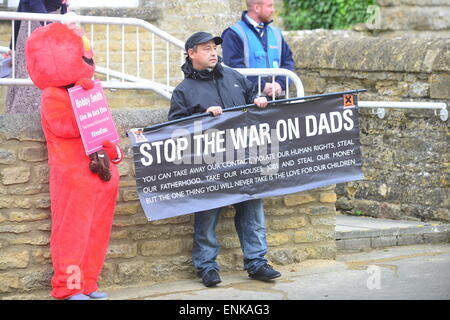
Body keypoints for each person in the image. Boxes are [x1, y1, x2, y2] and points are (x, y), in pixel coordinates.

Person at [169, 31, 281, 288]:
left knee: (252, 213)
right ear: (191, 53)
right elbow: (173, 130)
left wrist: (259, 100)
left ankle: (257, 262)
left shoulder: (234, 77)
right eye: (206, 48)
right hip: (209, 166)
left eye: (214, 48)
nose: (212, 52)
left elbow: (253, 98)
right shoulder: (183, 91)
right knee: (207, 217)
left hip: (245, 160)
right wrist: (202, 116)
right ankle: (207, 267)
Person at [221, 0, 295, 98]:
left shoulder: (276, 33)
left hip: (278, 100)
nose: (273, 10)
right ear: (257, 8)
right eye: (270, 6)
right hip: (249, 102)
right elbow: (234, 68)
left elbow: (288, 62)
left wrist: (280, 84)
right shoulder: (233, 34)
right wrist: (262, 86)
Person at [5, 0, 68, 113]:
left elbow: (21, 8)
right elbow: (30, 5)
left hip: (47, 25)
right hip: (37, 27)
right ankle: (22, 117)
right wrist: (52, 29)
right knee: (29, 76)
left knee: (44, 75)